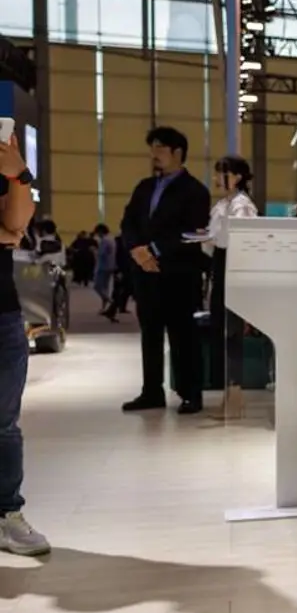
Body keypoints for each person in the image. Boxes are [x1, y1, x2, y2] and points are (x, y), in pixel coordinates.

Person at [119, 126, 211, 415]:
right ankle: (151, 391)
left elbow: (191, 232)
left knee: (183, 335)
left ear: (177, 152)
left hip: (179, 274)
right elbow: (128, 222)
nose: (154, 154)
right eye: (153, 148)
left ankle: (190, 393)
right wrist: (137, 249)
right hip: (145, 274)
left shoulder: (195, 191)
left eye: (160, 149)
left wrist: (154, 250)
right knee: (150, 334)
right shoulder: (144, 187)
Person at [0, 131, 49, 554]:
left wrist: (19, 175)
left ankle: (7, 514)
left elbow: (15, 226)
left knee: (4, 424)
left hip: (2, 311)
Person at [203, 155, 258, 420]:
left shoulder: (242, 205)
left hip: (234, 269)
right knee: (224, 334)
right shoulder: (223, 205)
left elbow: (244, 243)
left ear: (236, 177)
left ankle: (235, 396)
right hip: (220, 267)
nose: (216, 178)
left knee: (232, 335)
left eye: (221, 173)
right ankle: (230, 395)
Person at [93, 224, 117, 314]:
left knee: (97, 286)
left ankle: (110, 301)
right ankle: (104, 307)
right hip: (111, 265)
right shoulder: (111, 239)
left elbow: (101, 253)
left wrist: (94, 251)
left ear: (100, 232)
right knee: (105, 287)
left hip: (103, 266)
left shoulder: (104, 241)